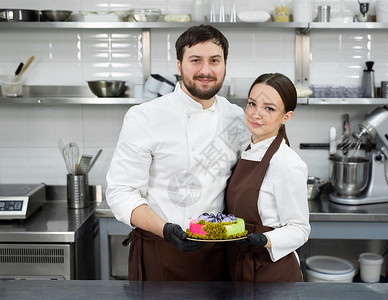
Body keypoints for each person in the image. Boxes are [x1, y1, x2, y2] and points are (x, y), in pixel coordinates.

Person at [106, 25, 248, 281]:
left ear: (225, 65)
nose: (206, 70)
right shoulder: (145, 117)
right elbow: (121, 191)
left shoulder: (236, 118)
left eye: (214, 61)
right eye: (195, 60)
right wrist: (165, 229)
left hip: (217, 252)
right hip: (160, 249)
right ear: (180, 66)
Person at [225, 73, 311, 282]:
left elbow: (300, 229)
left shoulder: (288, 163)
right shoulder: (245, 151)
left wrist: (264, 239)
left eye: (269, 108)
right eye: (252, 104)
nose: (256, 114)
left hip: (272, 273)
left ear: (286, 116)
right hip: (238, 266)